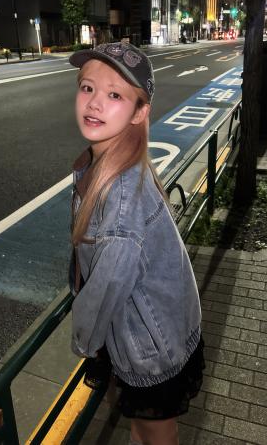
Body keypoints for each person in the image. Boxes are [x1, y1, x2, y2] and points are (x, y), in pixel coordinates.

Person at [68, 42, 204, 445]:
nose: (94, 103)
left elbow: (107, 284)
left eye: (115, 95)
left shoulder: (121, 197)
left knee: (156, 433)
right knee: (145, 429)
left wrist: (84, 344)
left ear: (139, 112)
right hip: (160, 328)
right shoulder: (107, 164)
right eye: (87, 87)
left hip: (150, 344)